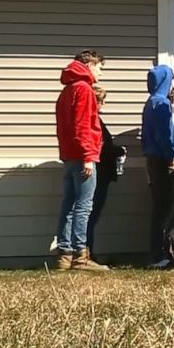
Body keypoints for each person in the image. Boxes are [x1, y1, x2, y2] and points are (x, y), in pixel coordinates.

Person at [53, 49, 109, 271]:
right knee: (83, 206)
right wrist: (88, 156)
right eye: (100, 68)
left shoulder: (67, 90)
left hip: (68, 156)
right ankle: (80, 256)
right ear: (89, 64)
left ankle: (63, 255)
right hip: (82, 156)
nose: (101, 74)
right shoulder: (84, 90)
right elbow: (83, 126)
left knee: (68, 203)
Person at [143, 64, 174, 269]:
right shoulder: (161, 105)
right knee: (171, 206)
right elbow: (166, 136)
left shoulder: (150, 102)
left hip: (153, 160)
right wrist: (173, 159)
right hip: (163, 161)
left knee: (161, 207)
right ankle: (162, 253)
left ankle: (165, 254)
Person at [86, 85, 127, 260]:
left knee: (90, 214)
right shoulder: (93, 121)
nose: (102, 105)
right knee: (91, 214)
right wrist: (119, 151)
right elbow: (101, 148)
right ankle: (87, 252)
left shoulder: (94, 120)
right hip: (99, 174)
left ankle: (87, 250)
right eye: (101, 101)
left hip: (101, 173)